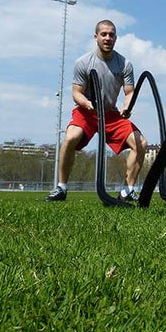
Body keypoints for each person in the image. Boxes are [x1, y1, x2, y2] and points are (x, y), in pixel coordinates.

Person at [46, 19, 148, 202]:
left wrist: (127, 107)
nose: (108, 38)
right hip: (87, 112)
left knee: (141, 143)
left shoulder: (124, 64)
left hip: (111, 114)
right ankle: (61, 188)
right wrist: (87, 104)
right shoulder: (83, 62)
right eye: (104, 34)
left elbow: (129, 92)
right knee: (70, 137)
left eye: (111, 34)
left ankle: (127, 190)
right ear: (96, 37)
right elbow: (76, 93)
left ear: (116, 38)